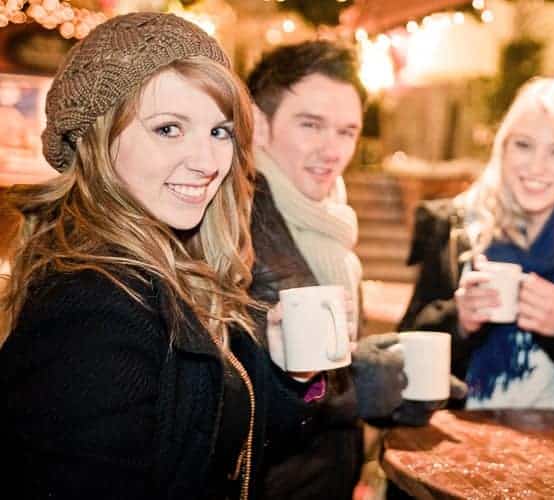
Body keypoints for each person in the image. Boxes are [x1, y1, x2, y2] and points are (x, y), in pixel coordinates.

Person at [0, 13, 326, 500]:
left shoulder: (172, 265)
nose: (208, 161)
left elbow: (220, 441)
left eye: (220, 131)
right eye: (169, 129)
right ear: (97, 140)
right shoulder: (96, 307)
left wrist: (289, 373)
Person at [245, 41, 466, 499]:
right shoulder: (232, 226)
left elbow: (327, 357)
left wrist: (377, 372)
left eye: (347, 132)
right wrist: (359, 389)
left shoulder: (331, 223)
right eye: (310, 125)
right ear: (259, 126)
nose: (332, 150)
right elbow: (228, 394)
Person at [399, 77, 554, 412]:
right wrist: (458, 322)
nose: (536, 167)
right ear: (503, 148)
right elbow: (401, 354)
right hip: (457, 448)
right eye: (523, 145)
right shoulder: (454, 229)